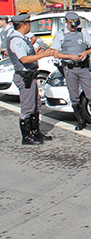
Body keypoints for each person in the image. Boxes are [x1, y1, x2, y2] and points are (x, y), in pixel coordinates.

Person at [51, 12, 91, 131]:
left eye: (76, 25)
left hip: (83, 67)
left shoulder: (82, 32)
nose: (74, 27)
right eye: (72, 25)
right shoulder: (61, 34)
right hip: (70, 68)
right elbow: (55, 53)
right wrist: (70, 56)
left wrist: (86, 53)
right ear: (66, 22)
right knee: (74, 95)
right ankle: (80, 121)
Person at [6, 13, 54, 145]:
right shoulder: (17, 40)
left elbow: (28, 56)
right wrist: (43, 54)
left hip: (30, 75)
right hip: (24, 76)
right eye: (28, 24)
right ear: (23, 25)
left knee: (35, 105)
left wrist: (37, 53)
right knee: (27, 106)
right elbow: (24, 59)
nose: (29, 26)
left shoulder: (22, 38)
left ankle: (35, 132)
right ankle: (27, 136)